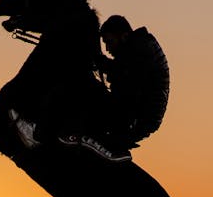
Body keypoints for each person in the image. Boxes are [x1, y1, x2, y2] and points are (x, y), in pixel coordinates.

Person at [13, 15, 170, 162]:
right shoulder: (140, 46)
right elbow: (127, 76)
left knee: (77, 88)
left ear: (123, 36)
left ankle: (38, 135)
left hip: (133, 118)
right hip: (136, 114)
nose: (108, 48)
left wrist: (99, 62)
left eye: (109, 42)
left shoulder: (140, 48)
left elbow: (129, 77)